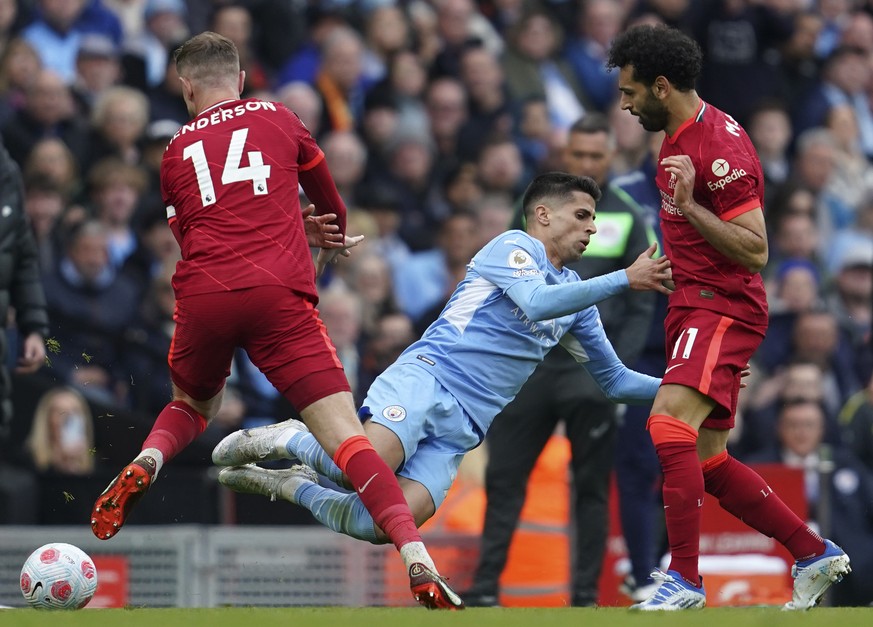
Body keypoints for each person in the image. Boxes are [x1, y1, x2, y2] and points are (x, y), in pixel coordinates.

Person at [88, 31, 461, 611]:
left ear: (187, 89)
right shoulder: (278, 115)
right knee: (347, 441)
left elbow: (200, 233)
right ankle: (418, 559)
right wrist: (323, 241)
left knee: (191, 406)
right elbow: (330, 202)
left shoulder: (173, 152)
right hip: (278, 299)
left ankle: (147, 460)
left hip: (206, 293)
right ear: (239, 80)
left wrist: (283, 230)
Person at [211, 172, 673, 601]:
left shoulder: (578, 299)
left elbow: (614, 381)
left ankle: (291, 485)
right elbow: (535, 303)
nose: (592, 228)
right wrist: (624, 279)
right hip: (429, 379)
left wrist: (688, 385)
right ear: (543, 215)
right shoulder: (513, 246)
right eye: (582, 215)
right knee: (362, 469)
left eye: (593, 218)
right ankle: (288, 436)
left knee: (381, 522)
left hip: (464, 428)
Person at [606, 24, 851, 611]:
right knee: (709, 461)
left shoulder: (718, 149)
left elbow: (757, 248)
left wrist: (688, 207)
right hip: (695, 302)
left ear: (662, 87)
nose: (625, 102)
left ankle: (684, 581)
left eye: (632, 91)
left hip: (721, 306)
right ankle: (812, 552)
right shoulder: (676, 133)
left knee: (667, 427)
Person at [465, 113, 657, 607]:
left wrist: (613, 365)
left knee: (591, 489)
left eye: (597, 155)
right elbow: (507, 281)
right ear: (566, 156)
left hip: (588, 372)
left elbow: (641, 302)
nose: (588, 163)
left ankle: (584, 597)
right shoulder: (537, 211)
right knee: (504, 477)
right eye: (580, 155)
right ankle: (485, 589)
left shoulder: (629, 215)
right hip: (528, 369)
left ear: (611, 157)